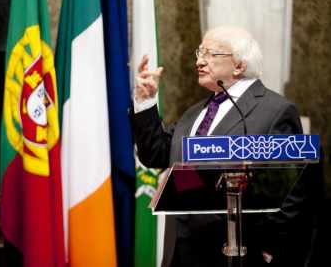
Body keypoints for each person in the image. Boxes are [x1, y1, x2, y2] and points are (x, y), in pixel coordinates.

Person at [130, 26, 313, 267]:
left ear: (239, 65)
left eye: (210, 54)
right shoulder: (195, 113)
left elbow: (291, 190)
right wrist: (145, 102)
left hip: (239, 252)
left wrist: (270, 248)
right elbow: (156, 154)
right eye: (199, 52)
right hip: (183, 250)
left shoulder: (276, 111)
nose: (199, 61)